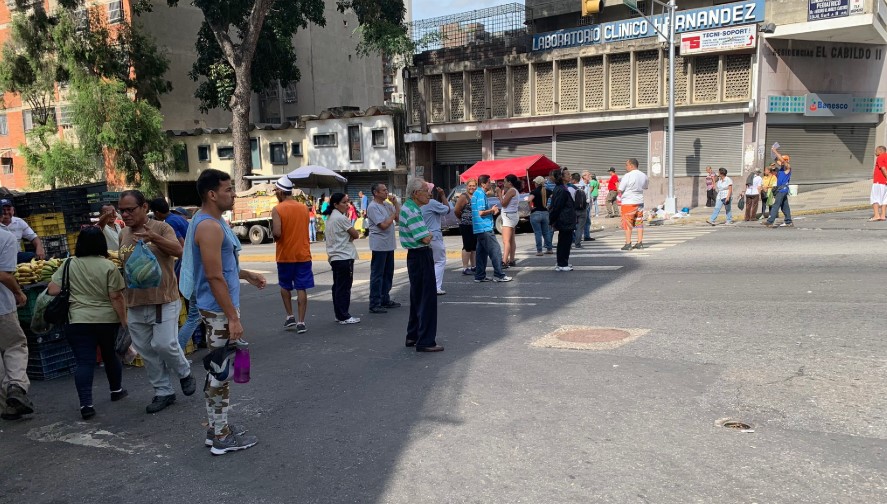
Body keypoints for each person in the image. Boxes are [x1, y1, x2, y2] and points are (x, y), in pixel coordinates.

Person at [186, 168, 266, 455]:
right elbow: (213, 276)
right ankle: (220, 436)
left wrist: (246, 274)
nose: (233, 194)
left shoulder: (213, 222)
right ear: (212, 194)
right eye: (228, 189)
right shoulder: (209, 226)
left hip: (220, 307)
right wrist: (232, 317)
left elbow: (224, 267)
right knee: (221, 373)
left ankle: (216, 428)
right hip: (219, 311)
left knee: (218, 371)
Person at [117, 190, 196, 414]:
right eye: (122, 210)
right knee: (147, 351)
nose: (126, 214)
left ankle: (184, 372)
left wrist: (155, 239)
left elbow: (179, 251)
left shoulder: (162, 227)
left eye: (130, 209)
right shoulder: (123, 233)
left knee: (164, 344)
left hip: (163, 299)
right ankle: (163, 392)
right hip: (134, 302)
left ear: (144, 207)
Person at [47, 226, 128, 420]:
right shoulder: (108, 266)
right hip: (106, 320)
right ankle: (116, 390)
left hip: (77, 320)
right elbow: (116, 296)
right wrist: (124, 321)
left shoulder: (68, 264)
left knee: (84, 361)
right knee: (110, 355)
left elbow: (52, 290)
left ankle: (86, 404)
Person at [399, 177, 443, 352]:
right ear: (417, 193)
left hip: (415, 256)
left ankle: (413, 335)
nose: (429, 194)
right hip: (420, 254)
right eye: (427, 190)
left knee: (417, 297)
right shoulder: (412, 211)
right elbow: (425, 237)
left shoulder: (410, 207)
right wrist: (431, 233)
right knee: (426, 298)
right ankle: (425, 340)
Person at [270, 176, 313, 333]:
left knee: (285, 285)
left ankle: (290, 316)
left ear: (281, 192)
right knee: (301, 287)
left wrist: (274, 236)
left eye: (276, 191)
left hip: (285, 255)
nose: (275, 194)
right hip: (303, 254)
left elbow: (277, 233)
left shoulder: (278, 209)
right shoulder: (303, 208)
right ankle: (301, 322)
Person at [0, 226, 34, 421]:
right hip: (2, 307)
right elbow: (4, 275)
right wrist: (19, 292)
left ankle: (7, 407)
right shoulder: (5, 237)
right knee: (15, 346)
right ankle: (17, 386)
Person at [323, 193, 360, 325]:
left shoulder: (331, 217)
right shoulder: (341, 218)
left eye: (347, 202)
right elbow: (355, 234)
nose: (347, 205)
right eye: (344, 202)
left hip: (335, 257)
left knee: (338, 287)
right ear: (335, 204)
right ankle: (344, 315)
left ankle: (339, 314)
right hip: (344, 256)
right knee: (344, 288)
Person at [365, 182, 401, 314]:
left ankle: (385, 298)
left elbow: (399, 218)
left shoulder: (387, 204)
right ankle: (375, 302)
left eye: (386, 190)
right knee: (377, 275)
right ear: (376, 193)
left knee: (388, 273)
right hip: (379, 245)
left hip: (389, 244)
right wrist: (392, 215)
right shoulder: (373, 207)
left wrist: (395, 204)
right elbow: (384, 225)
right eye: (384, 190)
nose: (387, 192)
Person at [472, 175, 512, 283]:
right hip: (484, 227)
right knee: (495, 251)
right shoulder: (480, 194)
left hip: (479, 228)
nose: (490, 184)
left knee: (481, 253)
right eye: (489, 182)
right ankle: (499, 275)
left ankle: (480, 276)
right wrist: (492, 210)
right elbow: (480, 212)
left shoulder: (477, 193)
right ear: (483, 184)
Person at [421, 184, 453, 295]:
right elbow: (448, 209)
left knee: (427, 263)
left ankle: (426, 285)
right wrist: (443, 196)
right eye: (429, 191)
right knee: (439, 261)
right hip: (434, 235)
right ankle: (435, 287)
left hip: (422, 235)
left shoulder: (415, 204)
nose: (431, 193)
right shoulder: (431, 203)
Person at [0, 198, 45, 263]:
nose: (6, 212)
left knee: (33, 257)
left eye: (8, 209)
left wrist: (40, 248)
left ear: (13, 210)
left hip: (16, 256)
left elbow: (34, 237)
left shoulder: (19, 222)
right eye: (3, 210)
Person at [548, 169, 576, 271]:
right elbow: (556, 207)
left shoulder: (563, 188)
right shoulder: (561, 189)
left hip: (566, 219)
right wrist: (551, 220)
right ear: (562, 177)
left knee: (565, 242)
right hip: (564, 220)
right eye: (567, 174)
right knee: (564, 243)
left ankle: (562, 262)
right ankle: (562, 264)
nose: (570, 176)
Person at [618, 158, 649, 250]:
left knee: (627, 223)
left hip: (628, 202)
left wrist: (617, 187)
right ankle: (639, 242)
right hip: (639, 201)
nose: (625, 167)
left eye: (626, 165)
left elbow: (620, 189)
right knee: (639, 222)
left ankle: (628, 244)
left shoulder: (628, 175)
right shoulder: (644, 175)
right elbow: (645, 187)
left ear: (631, 165)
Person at [764, 147, 793, 228]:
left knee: (776, 204)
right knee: (785, 206)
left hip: (783, 189)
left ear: (786, 160)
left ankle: (770, 221)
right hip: (780, 189)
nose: (780, 162)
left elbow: (782, 161)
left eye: (782, 160)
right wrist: (773, 152)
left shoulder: (788, 167)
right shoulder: (781, 169)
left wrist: (775, 151)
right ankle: (788, 221)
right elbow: (776, 159)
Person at [454, 179, 478, 275]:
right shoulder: (464, 197)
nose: (472, 187)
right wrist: (462, 218)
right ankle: (465, 267)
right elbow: (456, 210)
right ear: (466, 186)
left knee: (474, 246)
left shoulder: (476, 196)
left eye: (474, 185)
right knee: (467, 246)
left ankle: (474, 266)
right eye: (470, 185)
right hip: (465, 225)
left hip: (475, 225)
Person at [527, 175, 554, 256]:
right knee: (546, 232)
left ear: (537, 183)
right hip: (545, 213)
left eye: (535, 182)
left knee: (538, 233)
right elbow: (554, 197)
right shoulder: (547, 191)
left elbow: (529, 200)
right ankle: (549, 249)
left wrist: (530, 208)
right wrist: (550, 206)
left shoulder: (534, 191)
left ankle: (539, 251)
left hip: (535, 213)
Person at [499, 174, 520, 268]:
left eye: (505, 181)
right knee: (511, 239)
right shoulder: (514, 191)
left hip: (508, 216)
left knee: (506, 240)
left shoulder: (511, 190)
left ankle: (504, 261)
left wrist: (499, 193)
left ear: (509, 182)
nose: (504, 183)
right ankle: (511, 259)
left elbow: (503, 204)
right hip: (513, 215)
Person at [869, 146, 887, 221]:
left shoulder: (880, 157)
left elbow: (883, 168)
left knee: (874, 198)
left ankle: (876, 215)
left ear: (880, 151)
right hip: (885, 183)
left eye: (876, 151)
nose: (875, 152)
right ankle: (883, 215)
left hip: (879, 181)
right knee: (884, 199)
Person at [571, 173, 588, 249]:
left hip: (573, 210)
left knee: (570, 227)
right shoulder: (585, 187)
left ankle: (571, 241)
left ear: (574, 180)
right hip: (583, 210)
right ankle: (577, 244)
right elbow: (588, 199)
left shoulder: (571, 188)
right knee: (580, 228)